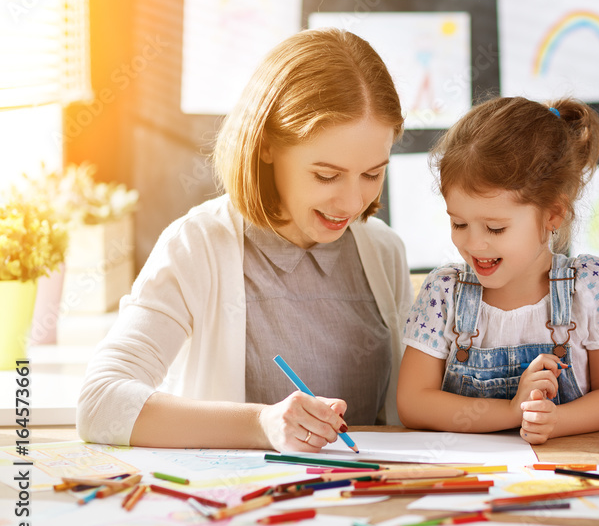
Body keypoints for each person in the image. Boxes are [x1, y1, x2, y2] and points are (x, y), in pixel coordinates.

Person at [77, 28, 412, 452]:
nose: (352, 202)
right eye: (326, 175)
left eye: (372, 174)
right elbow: (100, 403)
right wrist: (261, 424)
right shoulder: (199, 244)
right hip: (238, 509)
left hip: (362, 502)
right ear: (267, 145)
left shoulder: (383, 253)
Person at [396, 96, 599, 444]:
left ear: (553, 215)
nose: (475, 244)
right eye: (460, 223)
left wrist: (557, 420)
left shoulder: (591, 286)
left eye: (495, 228)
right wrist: (512, 411)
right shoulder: (443, 293)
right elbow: (413, 403)